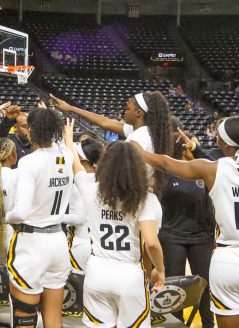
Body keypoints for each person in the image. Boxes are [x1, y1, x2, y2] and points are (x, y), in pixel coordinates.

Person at [135, 116, 239, 328]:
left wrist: (138, 150)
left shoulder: (214, 168)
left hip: (228, 262)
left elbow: (167, 163)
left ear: (224, 143)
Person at [63, 119, 164, 328]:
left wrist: (68, 142)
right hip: (129, 274)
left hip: (97, 272)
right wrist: (160, 271)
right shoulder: (144, 198)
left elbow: (76, 165)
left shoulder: (91, 189)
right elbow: (152, 243)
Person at [5, 108, 78, 328]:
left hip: (32, 242)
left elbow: (21, 212)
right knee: (54, 317)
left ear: (32, 130)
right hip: (58, 241)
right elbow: (63, 144)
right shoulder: (66, 156)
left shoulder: (29, 162)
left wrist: (7, 216)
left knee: (25, 316)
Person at [50, 91, 172, 196]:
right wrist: (70, 108)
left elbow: (128, 174)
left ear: (138, 113)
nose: (124, 111)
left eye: (128, 108)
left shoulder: (139, 136)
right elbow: (105, 122)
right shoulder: (144, 130)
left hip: (131, 196)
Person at [159, 121, 215, 328]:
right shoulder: (167, 170)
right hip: (172, 236)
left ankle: (209, 324)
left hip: (202, 236)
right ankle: (175, 323)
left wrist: (198, 152)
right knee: (174, 287)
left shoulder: (205, 171)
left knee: (205, 285)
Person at [66, 138, 105, 274]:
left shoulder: (79, 183)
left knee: (77, 291)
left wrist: (53, 217)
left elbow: (79, 218)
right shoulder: (107, 181)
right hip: (101, 247)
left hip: (80, 242)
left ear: (81, 159)